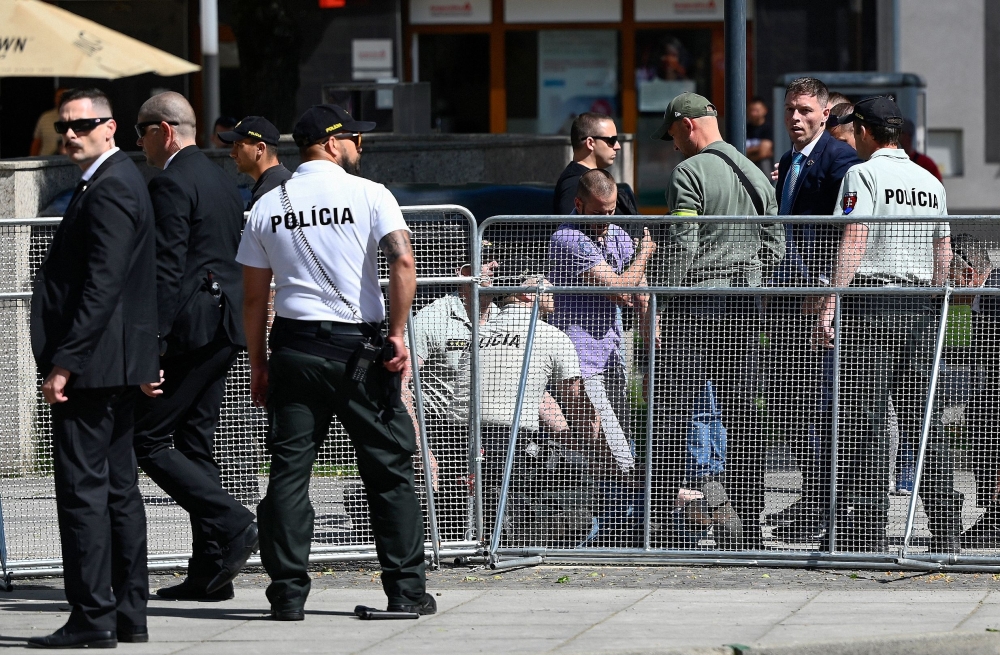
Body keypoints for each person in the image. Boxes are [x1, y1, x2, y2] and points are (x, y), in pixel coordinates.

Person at [239, 103, 432, 620]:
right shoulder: (370, 194)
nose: (360, 144)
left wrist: (258, 361)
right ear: (329, 143)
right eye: (352, 136)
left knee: (287, 473)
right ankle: (407, 591)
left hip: (293, 349)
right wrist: (396, 334)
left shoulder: (266, 205)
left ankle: (286, 596)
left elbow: (255, 298)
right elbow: (402, 261)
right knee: (389, 469)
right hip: (358, 353)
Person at [28, 87, 159, 648]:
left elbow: (103, 286)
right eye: (65, 127)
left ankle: (92, 615)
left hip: (96, 366)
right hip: (116, 363)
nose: (72, 135)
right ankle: (126, 613)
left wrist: (65, 362)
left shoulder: (111, 186)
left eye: (83, 125)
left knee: (86, 491)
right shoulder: (111, 182)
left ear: (112, 128)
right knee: (117, 490)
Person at [818, 95, 961, 553]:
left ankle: (867, 530)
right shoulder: (929, 182)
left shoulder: (863, 175)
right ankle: (946, 530)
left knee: (868, 421)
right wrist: (935, 306)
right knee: (926, 422)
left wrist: (831, 302)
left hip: (871, 305)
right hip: (920, 309)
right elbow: (944, 251)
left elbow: (854, 239)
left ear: (862, 130)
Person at [132, 91, 259, 602]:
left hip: (192, 330)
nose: (136, 143)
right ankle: (211, 569)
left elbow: (166, 270)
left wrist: (151, 344)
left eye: (140, 131)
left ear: (163, 130)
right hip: (223, 328)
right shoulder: (218, 179)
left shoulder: (170, 180)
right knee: (194, 442)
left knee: (149, 440)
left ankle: (231, 522)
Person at [649, 92, 784, 549]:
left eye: (672, 134)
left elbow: (683, 243)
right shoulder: (757, 175)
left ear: (687, 125)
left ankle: (665, 526)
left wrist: (660, 304)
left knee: (670, 410)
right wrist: (755, 280)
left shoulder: (688, 172)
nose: (672, 146)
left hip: (695, 304)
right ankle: (748, 527)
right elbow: (775, 242)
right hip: (745, 307)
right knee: (745, 414)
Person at [766, 77, 862, 544]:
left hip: (820, 302)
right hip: (790, 301)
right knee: (796, 406)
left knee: (825, 406)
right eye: (790, 110)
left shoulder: (841, 160)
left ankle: (833, 505)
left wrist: (826, 287)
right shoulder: (788, 161)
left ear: (825, 114)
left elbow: (849, 232)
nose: (796, 118)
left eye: (805, 110)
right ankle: (813, 497)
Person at [547, 169, 656, 544]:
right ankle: (611, 525)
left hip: (612, 357)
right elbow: (619, 288)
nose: (607, 219)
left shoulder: (615, 234)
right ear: (579, 204)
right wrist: (644, 254)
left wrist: (648, 323)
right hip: (579, 361)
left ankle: (614, 526)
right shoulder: (569, 237)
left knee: (617, 442)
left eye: (612, 211)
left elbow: (639, 288)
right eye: (599, 212)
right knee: (610, 448)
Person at [450, 274, 598, 541]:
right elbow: (576, 398)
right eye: (547, 288)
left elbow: (537, 396)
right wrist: (592, 442)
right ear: (528, 294)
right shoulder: (550, 335)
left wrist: (565, 433)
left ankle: (493, 532)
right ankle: (523, 538)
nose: (555, 294)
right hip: (510, 437)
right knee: (571, 469)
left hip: (458, 433)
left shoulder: (480, 331)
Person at [948, 235, 998, 548]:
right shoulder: (985, 295)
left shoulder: (993, 294)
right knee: (981, 410)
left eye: (947, 276)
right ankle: (993, 512)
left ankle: (996, 516)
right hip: (991, 384)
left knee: (987, 414)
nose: (943, 286)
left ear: (967, 274)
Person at [552, 112, 638, 216]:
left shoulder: (583, 180)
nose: (617, 146)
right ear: (590, 143)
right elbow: (568, 230)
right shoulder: (575, 184)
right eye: (612, 140)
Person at [218, 115, 293, 210]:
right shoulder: (290, 181)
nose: (232, 153)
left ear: (260, 149)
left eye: (239, 145)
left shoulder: (267, 194)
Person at [30, 88, 67, 156]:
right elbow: (37, 142)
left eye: (63, 96)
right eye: (58, 97)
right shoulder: (45, 117)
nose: (60, 99)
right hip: (45, 161)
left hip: (67, 162)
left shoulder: (76, 118)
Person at [745, 96, 774, 175]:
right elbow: (737, 150)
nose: (753, 113)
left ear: (765, 110)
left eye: (757, 111)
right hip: (747, 172)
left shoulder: (768, 129)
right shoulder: (744, 129)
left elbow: (763, 153)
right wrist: (757, 149)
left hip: (764, 172)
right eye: (751, 110)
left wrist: (747, 153)